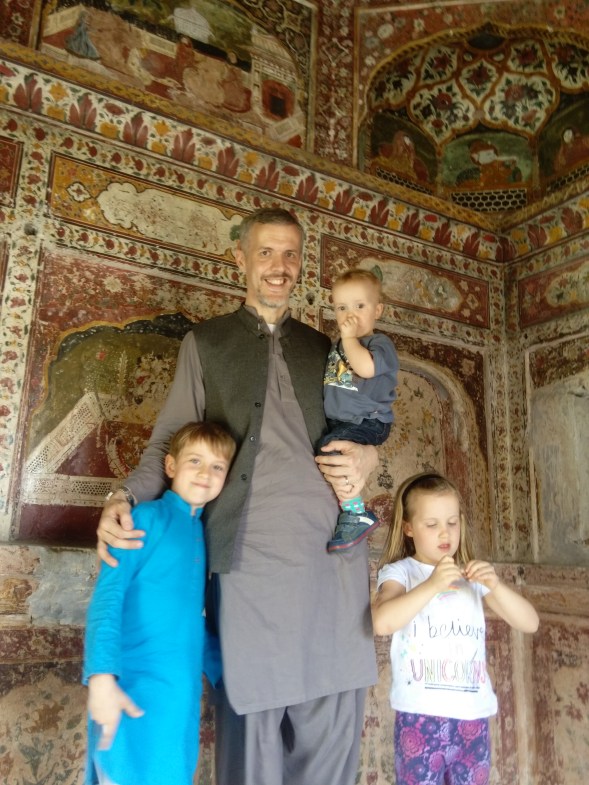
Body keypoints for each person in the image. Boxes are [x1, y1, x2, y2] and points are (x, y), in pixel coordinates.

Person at [95, 207, 380, 785]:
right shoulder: (206, 343)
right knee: (253, 724)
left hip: (331, 557)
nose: (279, 266)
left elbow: (367, 420)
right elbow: (167, 442)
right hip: (248, 561)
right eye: (266, 252)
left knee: (331, 720)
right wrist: (120, 497)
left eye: (291, 254)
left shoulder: (326, 347)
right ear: (240, 259)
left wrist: (371, 456)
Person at [83, 421, 236, 785]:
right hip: (130, 688)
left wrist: (228, 676)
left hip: (178, 699)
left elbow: (189, 621)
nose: (205, 473)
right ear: (170, 466)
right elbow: (107, 599)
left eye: (217, 466)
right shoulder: (143, 519)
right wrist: (101, 678)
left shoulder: (200, 533)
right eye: (195, 461)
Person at [372, 472, 539, 785]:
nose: (444, 532)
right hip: (419, 716)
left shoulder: (470, 575)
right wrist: (432, 584)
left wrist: (496, 585)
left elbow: (530, 622)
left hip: (472, 717)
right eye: (431, 524)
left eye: (452, 522)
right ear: (408, 528)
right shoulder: (401, 572)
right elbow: (382, 622)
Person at [319, 268, 398, 552]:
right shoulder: (339, 346)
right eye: (342, 308)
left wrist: (349, 339)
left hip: (369, 421)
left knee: (333, 449)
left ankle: (356, 513)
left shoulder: (380, 344)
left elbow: (365, 368)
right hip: (344, 421)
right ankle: (351, 510)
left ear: (377, 310)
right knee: (328, 450)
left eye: (359, 306)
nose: (349, 315)